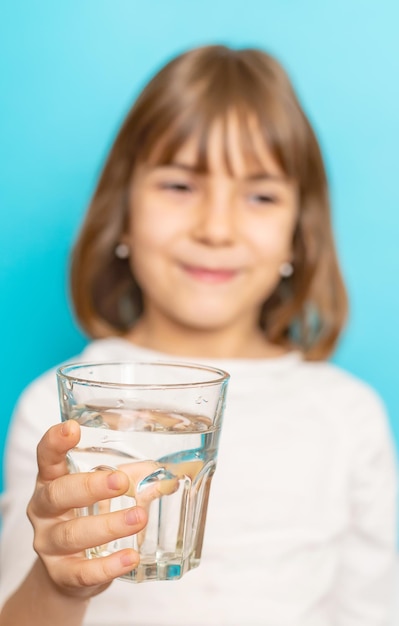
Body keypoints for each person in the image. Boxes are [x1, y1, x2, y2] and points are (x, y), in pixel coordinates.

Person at [0, 44, 397, 626]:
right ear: (123, 214)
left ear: (297, 237)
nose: (216, 227)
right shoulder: (58, 412)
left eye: (260, 196)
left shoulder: (348, 415)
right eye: (180, 186)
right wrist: (59, 587)